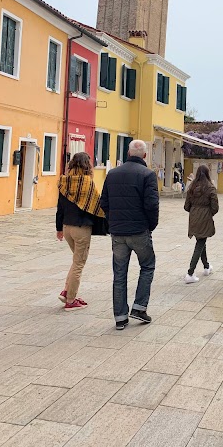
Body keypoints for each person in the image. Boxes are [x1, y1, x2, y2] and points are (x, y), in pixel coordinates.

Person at [101, 140, 159, 330]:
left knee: (119, 274)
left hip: (118, 232)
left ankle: (120, 317)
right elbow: (151, 205)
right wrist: (150, 225)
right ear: (144, 156)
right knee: (148, 265)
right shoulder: (148, 175)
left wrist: (113, 221)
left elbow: (104, 202)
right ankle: (139, 307)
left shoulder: (112, 174)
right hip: (139, 230)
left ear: (128, 153)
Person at [56, 152, 106, 311]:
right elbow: (97, 204)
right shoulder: (87, 183)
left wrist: (58, 229)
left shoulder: (64, 181)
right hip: (81, 228)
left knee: (76, 261)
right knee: (79, 263)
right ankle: (71, 300)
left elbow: (60, 208)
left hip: (67, 227)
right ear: (87, 165)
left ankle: (66, 291)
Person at [184, 165, 219, 283]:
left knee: (201, 240)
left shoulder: (192, 187)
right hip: (205, 216)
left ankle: (206, 266)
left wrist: (195, 211)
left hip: (193, 216)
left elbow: (186, 206)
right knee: (200, 243)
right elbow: (215, 207)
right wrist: (208, 213)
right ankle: (190, 273)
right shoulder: (210, 187)